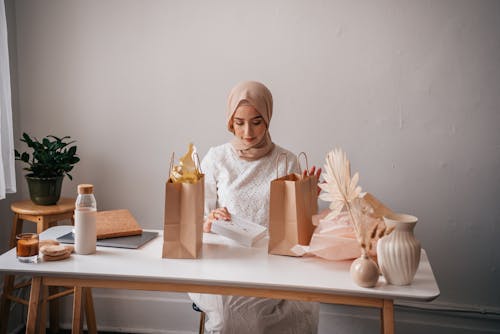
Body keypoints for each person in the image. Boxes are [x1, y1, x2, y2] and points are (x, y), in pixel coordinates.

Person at [190, 81, 321, 334]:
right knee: (238, 314)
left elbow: (300, 232)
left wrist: (308, 201)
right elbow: (194, 220)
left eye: (256, 121)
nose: (248, 132)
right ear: (230, 122)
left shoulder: (286, 160)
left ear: (268, 119)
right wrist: (208, 221)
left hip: (275, 262)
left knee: (297, 305)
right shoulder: (216, 158)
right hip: (227, 262)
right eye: (239, 122)